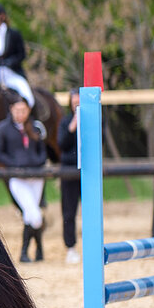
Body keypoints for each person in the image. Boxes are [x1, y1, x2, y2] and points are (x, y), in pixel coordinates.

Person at [0, 97, 48, 262]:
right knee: (35, 215)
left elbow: (42, 150)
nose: (20, 114)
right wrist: (14, 164)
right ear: (11, 109)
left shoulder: (35, 127)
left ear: (28, 110)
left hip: (36, 177)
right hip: (17, 178)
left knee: (29, 215)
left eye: (23, 110)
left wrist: (37, 162)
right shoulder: (2, 129)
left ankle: (31, 251)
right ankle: (33, 249)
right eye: (17, 110)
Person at [0, 2, 36, 109]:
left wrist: (9, 62)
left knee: (28, 97)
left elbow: (21, 54)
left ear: (2, 16)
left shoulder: (14, 34)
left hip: (12, 73)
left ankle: (33, 123)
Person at [57, 89, 82, 264]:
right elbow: (61, 144)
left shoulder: (95, 122)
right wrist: (72, 127)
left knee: (91, 211)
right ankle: (70, 247)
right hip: (69, 170)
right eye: (74, 103)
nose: (77, 106)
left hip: (88, 170)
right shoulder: (65, 121)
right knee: (68, 211)